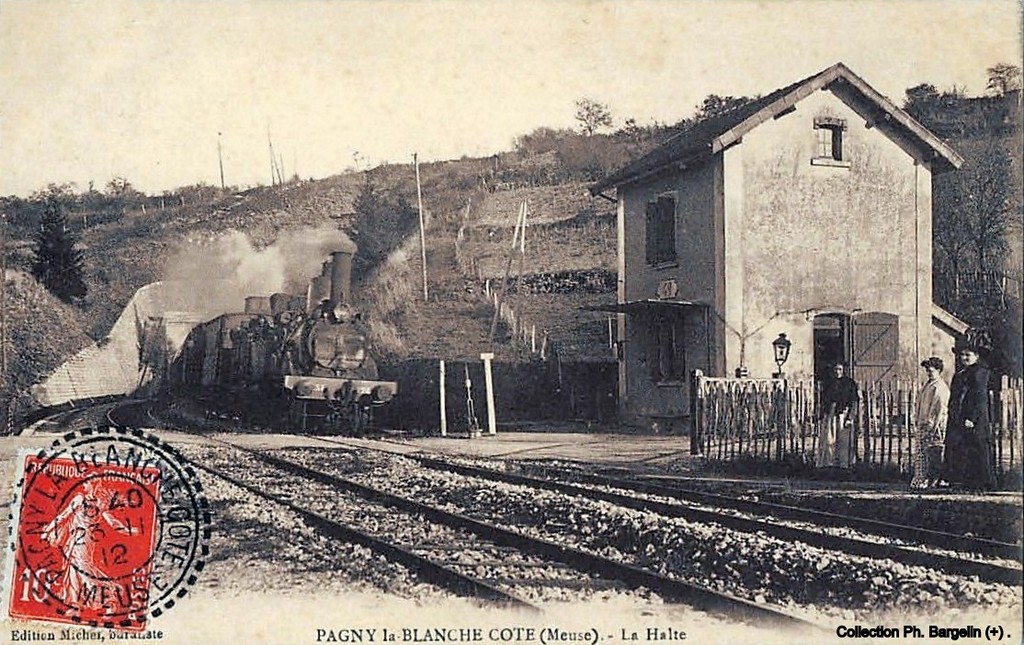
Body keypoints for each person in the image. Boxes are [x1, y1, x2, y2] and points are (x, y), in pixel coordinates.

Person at [943, 342, 996, 491]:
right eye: (962, 355)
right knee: (961, 448)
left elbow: (979, 397)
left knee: (977, 449)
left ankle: (982, 484)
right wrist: (953, 414)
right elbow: (954, 397)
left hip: (974, 419)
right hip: (959, 418)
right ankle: (964, 482)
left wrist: (972, 418)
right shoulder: (960, 374)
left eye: (968, 355)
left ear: (976, 356)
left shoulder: (980, 372)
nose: (964, 357)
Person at [911, 356, 950, 490]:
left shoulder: (940, 387)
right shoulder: (928, 385)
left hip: (934, 425)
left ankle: (933, 479)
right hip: (924, 423)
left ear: (939, 371)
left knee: (933, 453)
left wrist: (934, 425)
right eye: (927, 370)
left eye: (931, 371)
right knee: (921, 453)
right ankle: (921, 479)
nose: (928, 373)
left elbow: (940, 408)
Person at [817, 363, 859, 467]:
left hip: (843, 414)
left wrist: (850, 417)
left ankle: (844, 465)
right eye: (835, 369)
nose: (837, 372)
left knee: (844, 440)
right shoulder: (829, 384)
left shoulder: (849, 383)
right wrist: (822, 414)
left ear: (843, 370)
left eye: (839, 369)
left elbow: (854, 401)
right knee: (829, 439)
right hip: (831, 414)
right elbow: (823, 400)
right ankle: (829, 464)